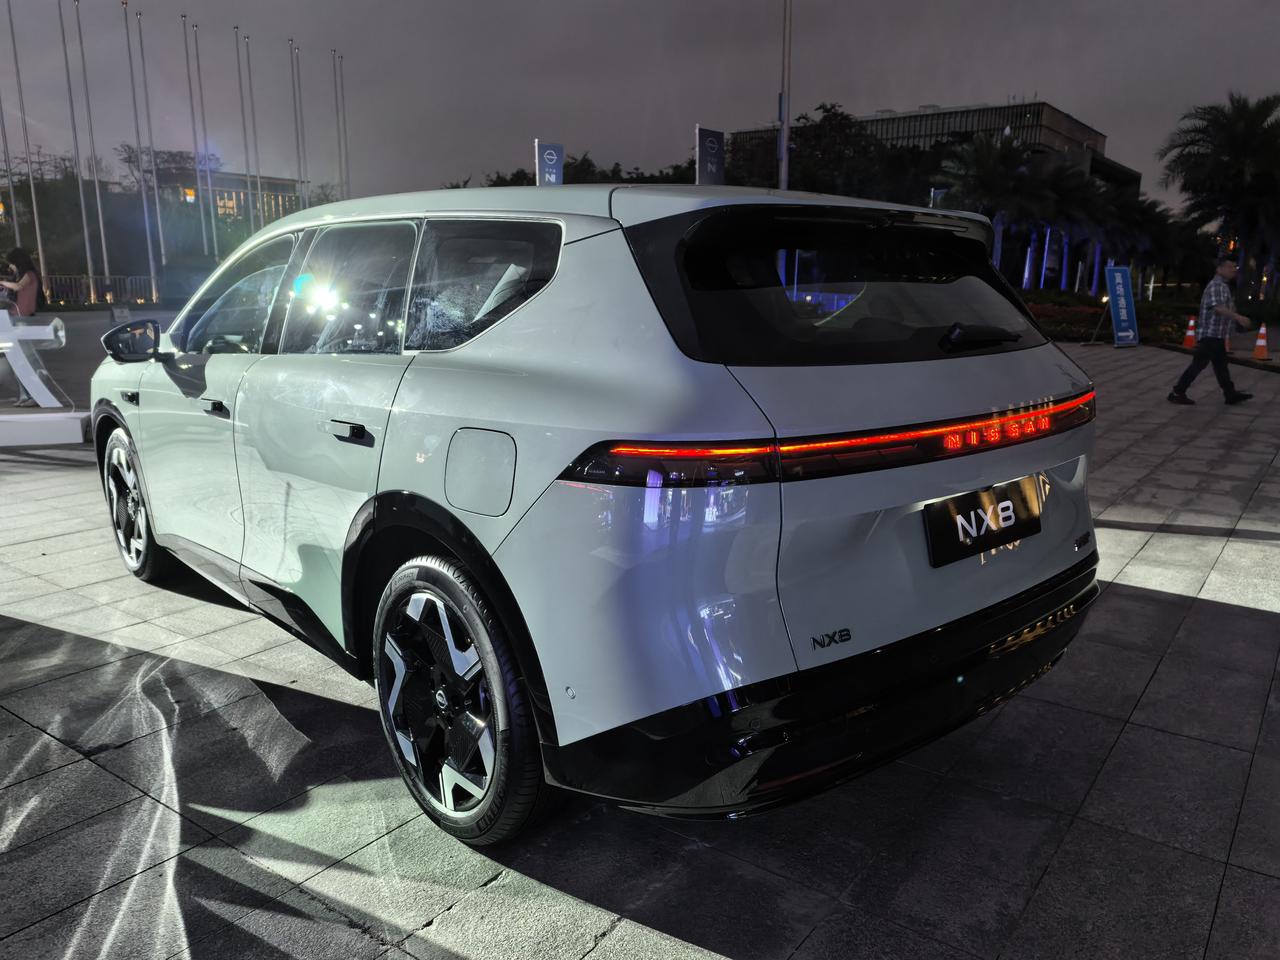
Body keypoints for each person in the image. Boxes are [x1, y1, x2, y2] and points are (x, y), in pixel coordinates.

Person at [1168, 257, 1253, 406]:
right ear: (1219, 269)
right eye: (1229, 267)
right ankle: (1177, 392)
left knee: (1221, 366)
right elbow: (1218, 308)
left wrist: (1234, 321)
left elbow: (1225, 307)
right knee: (1198, 365)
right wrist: (1238, 318)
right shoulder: (1216, 285)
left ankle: (1230, 394)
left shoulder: (1223, 286)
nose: (1233, 270)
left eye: (1234, 267)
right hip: (1210, 334)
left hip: (1217, 335)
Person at [0, 247, 42, 406]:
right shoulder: (21, 276)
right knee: (17, 360)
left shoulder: (29, 275)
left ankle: (33, 395)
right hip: (15, 319)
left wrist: (2, 282)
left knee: (24, 360)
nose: (10, 267)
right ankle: (25, 395)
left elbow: (18, 287)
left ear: (18, 262)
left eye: (11, 264)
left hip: (22, 321)